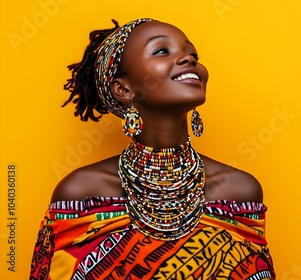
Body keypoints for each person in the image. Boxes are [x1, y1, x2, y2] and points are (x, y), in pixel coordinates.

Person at [30, 18, 275, 279]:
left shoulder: (239, 192)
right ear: (123, 89)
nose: (189, 59)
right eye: (161, 51)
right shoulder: (80, 193)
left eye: (192, 54)